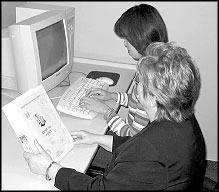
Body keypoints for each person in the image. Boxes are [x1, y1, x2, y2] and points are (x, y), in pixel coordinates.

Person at [24, 41, 206, 190]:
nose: (136, 85)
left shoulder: (147, 148)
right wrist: (96, 138)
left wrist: (50, 168)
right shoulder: (180, 116)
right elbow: (140, 147)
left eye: (139, 81)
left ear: (152, 98)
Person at [80, 3, 169, 170]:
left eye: (126, 39)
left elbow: (132, 138)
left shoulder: (150, 85)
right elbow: (136, 100)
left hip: (133, 147)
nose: (124, 44)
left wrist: (106, 112)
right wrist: (112, 97)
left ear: (139, 39)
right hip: (136, 137)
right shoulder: (151, 65)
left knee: (81, 150)